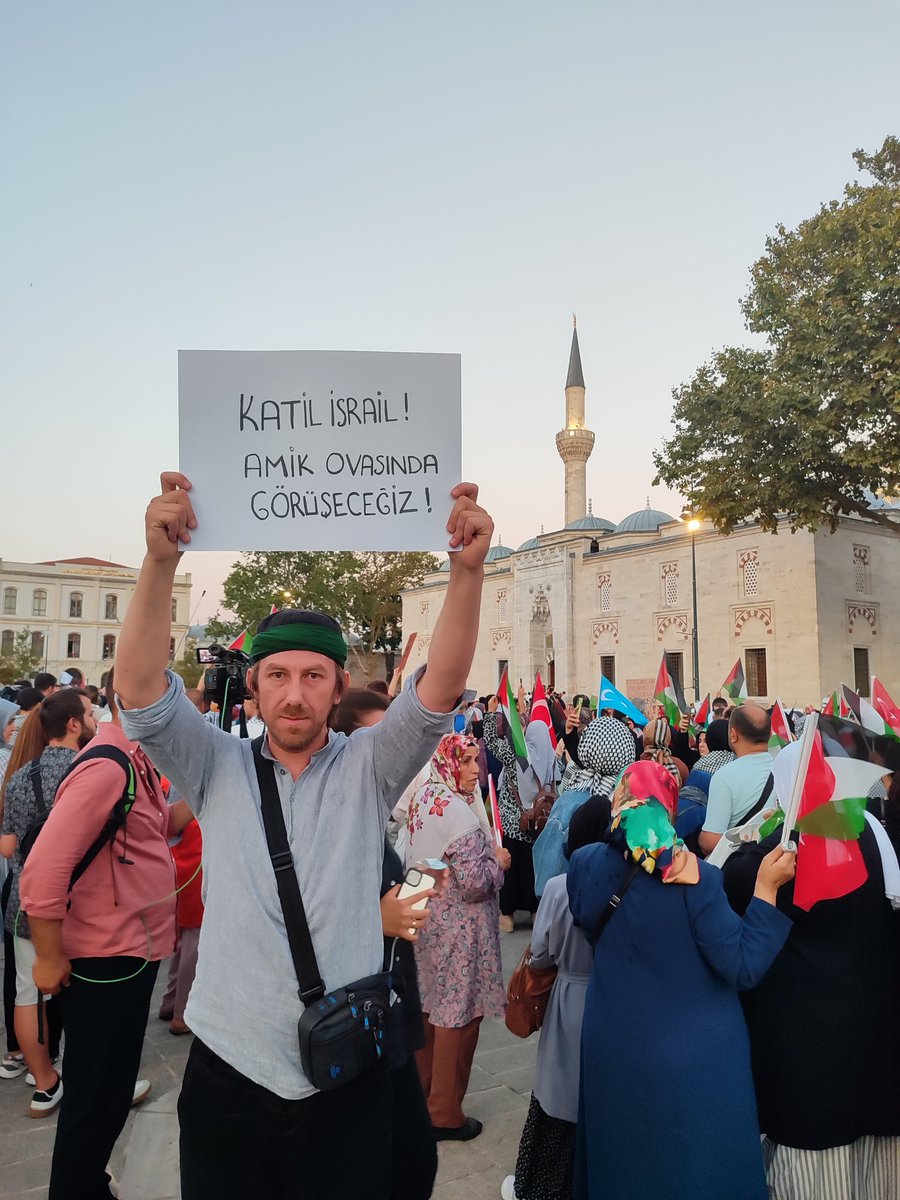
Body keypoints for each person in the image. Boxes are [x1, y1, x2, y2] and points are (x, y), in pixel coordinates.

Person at [111, 471, 493, 1200]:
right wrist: (160, 562)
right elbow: (138, 690)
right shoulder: (215, 765)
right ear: (251, 686)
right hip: (230, 1070)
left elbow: (438, 687)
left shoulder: (370, 767)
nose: (294, 693)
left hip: (344, 1073)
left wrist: (466, 573)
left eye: (313, 676)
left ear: (338, 684)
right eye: (277, 674)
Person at [567, 760, 796, 1200]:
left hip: (612, 1044)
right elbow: (743, 965)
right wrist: (766, 890)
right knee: (694, 1170)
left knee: (623, 1162)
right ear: (670, 807)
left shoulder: (583, 864)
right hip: (693, 1062)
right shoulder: (697, 879)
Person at [21, 667, 190, 1197]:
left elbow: (155, 831)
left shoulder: (136, 760)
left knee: (110, 1089)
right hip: (106, 958)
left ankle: (87, 1182)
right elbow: (41, 871)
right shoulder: (108, 765)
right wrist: (48, 959)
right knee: (97, 1096)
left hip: (129, 952)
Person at [722, 745, 900, 1200]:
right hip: (874, 1037)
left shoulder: (777, 854)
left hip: (805, 1054)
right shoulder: (875, 835)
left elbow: (730, 880)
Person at [334, 686, 439, 1200]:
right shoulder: (330, 823)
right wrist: (373, 918)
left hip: (386, 1007)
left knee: (413, 1158)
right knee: (395, 1160)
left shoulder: (375, 818)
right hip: (351, 1021)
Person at [406, 732, 509, 1141]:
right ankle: (444, 1112)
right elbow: (474, 882)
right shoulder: (459, 815)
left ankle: (421, 1097)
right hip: (459, 931)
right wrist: (499, 862)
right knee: (458, 1018)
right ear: (449, 762)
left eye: (476, 761)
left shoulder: (426, 795)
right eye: (465, 762)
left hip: (426, 916)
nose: (474, 770)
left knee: (429, 1011)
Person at [0, 689, 97, 1116]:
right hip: (81, 901)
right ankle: (99, 1080)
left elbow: (6, 848)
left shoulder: (20, 775)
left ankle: (44, 1084)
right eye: (91, 713)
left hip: (25, 902)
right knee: (88, 996)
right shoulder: (90, 769)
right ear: (74, 724)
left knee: (27, 995)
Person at [502, 802, 598, 1200]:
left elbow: (540, 955)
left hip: (568, 996)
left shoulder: (560, 887)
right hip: (609, 997)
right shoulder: (628, 883)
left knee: (559, 1094)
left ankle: (541, 1187)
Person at [483, 697, 539, 931]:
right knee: (532, 868)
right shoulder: (550, 759)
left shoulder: (517, 756)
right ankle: (536, 911)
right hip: (536, 825)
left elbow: (491, 741)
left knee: (511, 868)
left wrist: (490, 713)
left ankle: (507, 916)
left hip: (514, 823)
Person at [699, 704, 774, 855]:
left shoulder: (724, 777)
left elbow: (711, 842)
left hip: (743, 868)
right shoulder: (787, 769)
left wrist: (700, 838)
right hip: (780, 865)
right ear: (770, 735)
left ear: (733, 735)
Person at [683, 718, 735, 797]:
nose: (701, 745)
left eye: (706, 741)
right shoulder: (738, 761)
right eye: (699, 741)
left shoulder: (699, 767)